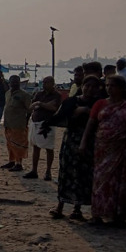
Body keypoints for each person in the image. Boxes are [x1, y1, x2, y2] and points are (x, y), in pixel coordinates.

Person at [80, 75, 126, 227]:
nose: (109, 88)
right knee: (100, 180)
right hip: (102, 147)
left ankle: (118, 216)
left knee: (119, 181)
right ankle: (98, 214)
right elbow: (91, 124)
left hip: (120, 149)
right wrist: (83, 142)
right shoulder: (100, 104)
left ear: (121, 88)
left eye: (112, 86)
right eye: (107, 85)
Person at [41, 76, 103, 220]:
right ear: (82, 86)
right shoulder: (71, 101)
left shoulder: (99, 104)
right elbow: (59, 117)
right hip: (71, 140)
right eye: (87, 86)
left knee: (83, 174)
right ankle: (60, 206)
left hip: (89, 141)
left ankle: (77, 208)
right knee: (66, 172)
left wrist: (87, 111)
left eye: (94, 87)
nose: (90, 89)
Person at [23, 76, 61, 180]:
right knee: (35, 146)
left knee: (49, 147)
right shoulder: (39, 94)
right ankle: (34, 170)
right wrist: (42, 105)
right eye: (43, 82)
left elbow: (54, 108)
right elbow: (31, 107)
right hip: (36, 122)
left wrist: (40, 104)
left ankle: (48, 171)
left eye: (46, 83)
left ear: (52, 83)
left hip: (47, 124)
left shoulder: (56, 95)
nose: (44, 85)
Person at [0, 75, 32, 171]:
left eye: (16, 81)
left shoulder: (24, 95)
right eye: (12, 81)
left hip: (19, 123)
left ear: (19, 82)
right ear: (9, 82)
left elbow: (29, 110)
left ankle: (19, 163)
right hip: (8, 123)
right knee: (10, 143)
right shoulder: (7, 93)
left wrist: (26, 121)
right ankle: (11, 161)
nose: (14, 83)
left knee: (18, 144)